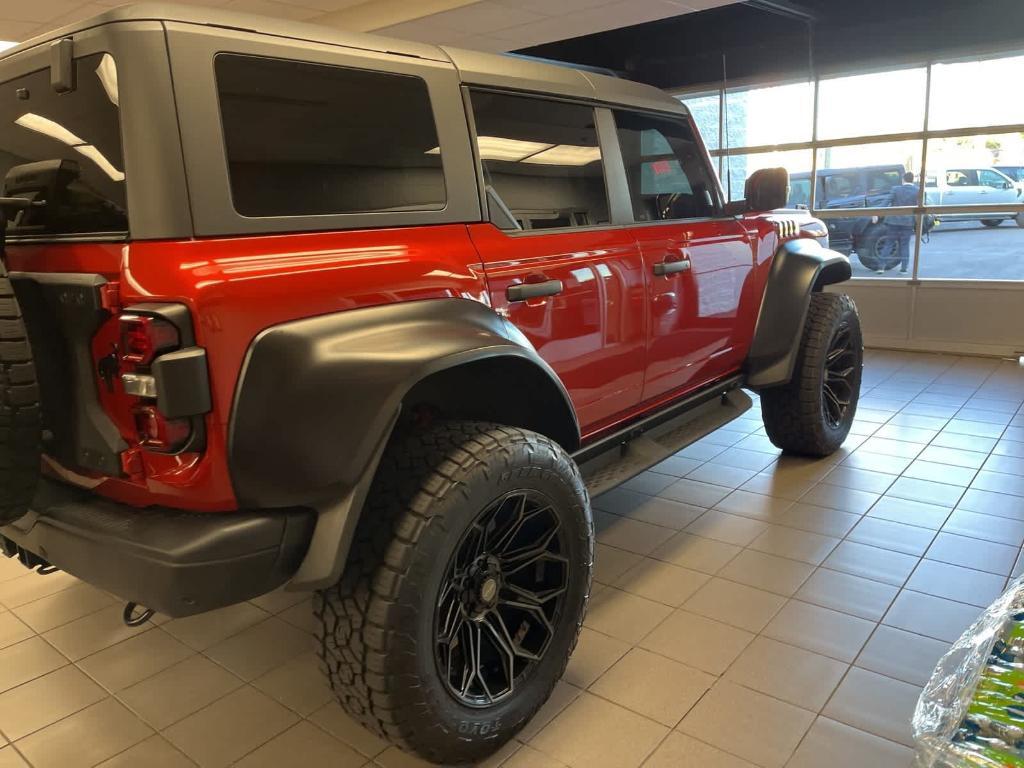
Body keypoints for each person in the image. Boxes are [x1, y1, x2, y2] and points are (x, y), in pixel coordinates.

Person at [885, 171, 918, 274]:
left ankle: (881, 266)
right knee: (905, 246)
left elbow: (886, 202)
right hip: (908, 223)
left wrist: (874, 213)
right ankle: (904, 269)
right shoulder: (918, 190)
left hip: (893, 222)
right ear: (913, 180)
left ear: (903, 179)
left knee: (889, 244)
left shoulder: (896, 189)